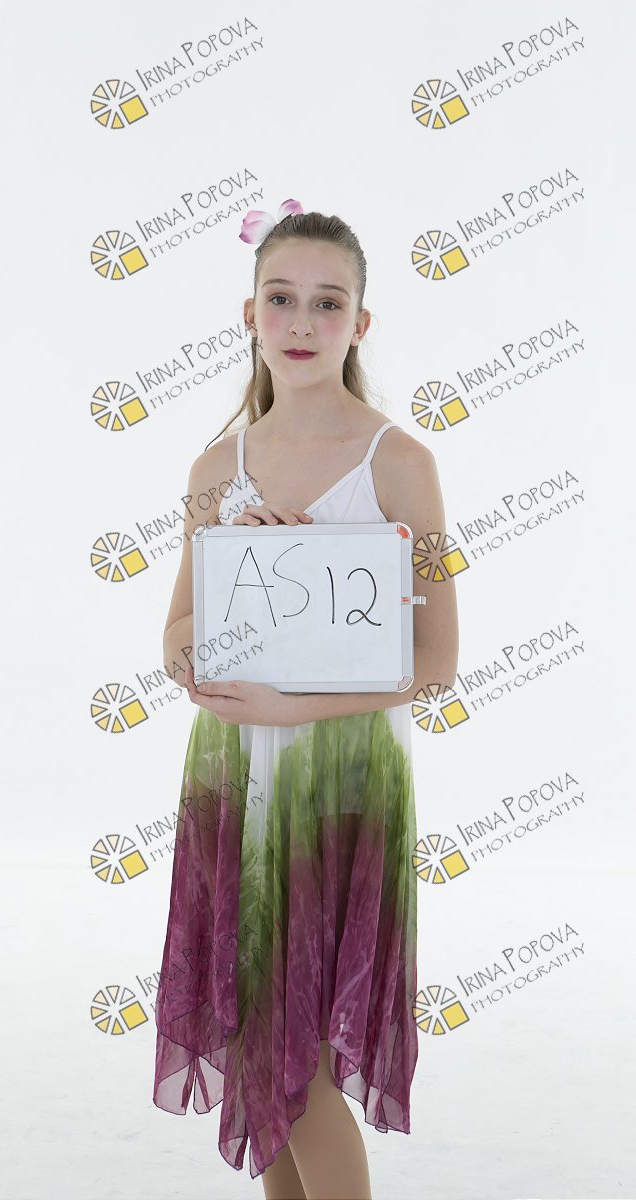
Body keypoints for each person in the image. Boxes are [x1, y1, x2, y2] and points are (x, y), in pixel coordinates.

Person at [152, 199, 459, 1200]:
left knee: (305, 1056)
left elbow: (437, 660)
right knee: (255, 1039)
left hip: (338, 783)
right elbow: (176, 636)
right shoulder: (218, 468)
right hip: (234, 776)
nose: (301, 321)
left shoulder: (399, 463)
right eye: (280, 298)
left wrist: (295, 702)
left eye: (328, 303)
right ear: (249, 314)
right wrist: (241, 583)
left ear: (359, 324)